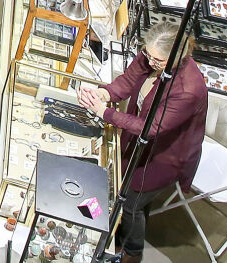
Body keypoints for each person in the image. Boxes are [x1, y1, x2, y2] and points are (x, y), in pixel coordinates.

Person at [77, 20, 207, 263]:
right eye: (147, 54)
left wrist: (105, 112)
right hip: (139, 144)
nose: (149, 62)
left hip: (164, 156)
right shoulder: (151, 57)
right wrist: (104, 94)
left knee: (132, 203)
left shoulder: (188, 89)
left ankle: (133, 252)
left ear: (176, 58)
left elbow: (152, 128)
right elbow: (127, 82)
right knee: (130, 191)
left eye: (157, 60)